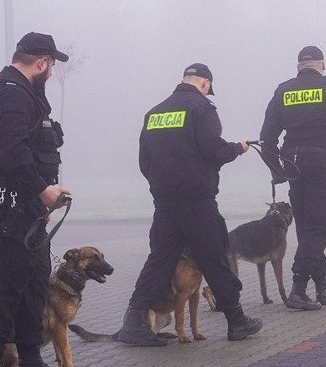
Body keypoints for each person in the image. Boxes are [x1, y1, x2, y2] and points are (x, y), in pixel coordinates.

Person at [112, 63, 262, 345]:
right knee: (215, 258)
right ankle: (237, 320)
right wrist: (238, 149)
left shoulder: (155, 112)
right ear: (205, 84)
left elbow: (145, 161)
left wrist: (161, 186)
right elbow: (213, 149)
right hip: (197, 202)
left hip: (165, 203)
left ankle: (134, 321)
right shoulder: (202, 108)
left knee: (159, 260)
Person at [0, 32, 75, 367]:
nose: (51, 72)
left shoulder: (25, 94)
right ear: (42, 62)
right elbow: (11, 154)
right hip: (8, 207)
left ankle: (31, 363)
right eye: (52, 65)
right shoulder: (11, 95)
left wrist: (43, 199)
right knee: (3, 287)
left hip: (27, 207)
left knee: (33, 284)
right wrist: (42, 190)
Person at [259, 46, 326, 311]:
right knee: (317, 230)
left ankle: (320, 286)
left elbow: (267, 138)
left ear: (298, 67)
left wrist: (278, 170)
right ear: (323, 65)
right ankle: (298, 289)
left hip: (294, 166)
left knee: (308, 228)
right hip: (321, 165)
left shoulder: (283, 91)